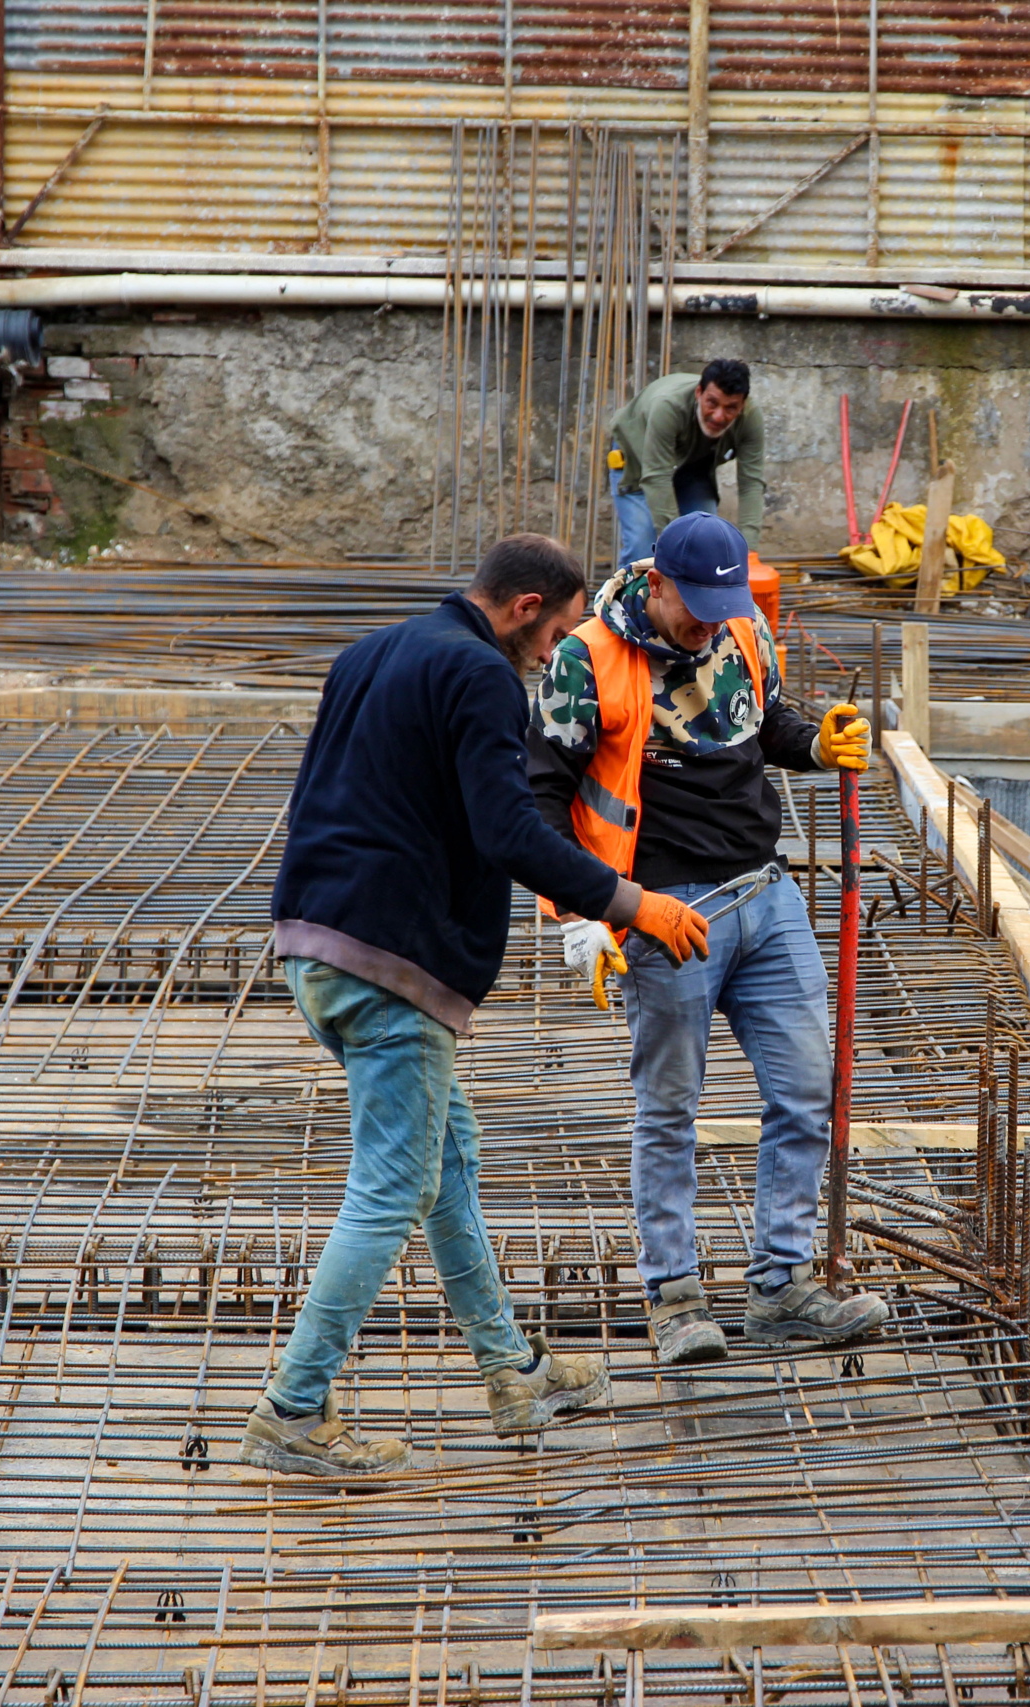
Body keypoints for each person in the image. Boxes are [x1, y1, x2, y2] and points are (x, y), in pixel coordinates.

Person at [242, 534, 715, 1478]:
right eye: (560, 632)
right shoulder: (482, 675)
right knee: (391, 1187)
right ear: (526, 605)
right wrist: (632, 903)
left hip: (316, 943)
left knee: (447, 1160)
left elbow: (319, 795)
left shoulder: (371, 653)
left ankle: (512, 1368)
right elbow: (509, 831)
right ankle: (293, 1407)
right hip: (391, 967)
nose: (556, 655)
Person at [530, 511, 884, 1363]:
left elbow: (762, 724)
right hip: (662, 911)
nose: (706, 620)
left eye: (719, 605)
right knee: (670, 1111)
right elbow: (539, 798)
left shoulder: (741, 626)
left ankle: (781, 1283)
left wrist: (815, 744)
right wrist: (588, 914)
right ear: (653, 585)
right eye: (691, 605)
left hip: (763, 894)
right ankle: (675, 1298)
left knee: (806, 1089)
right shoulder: (587, 659)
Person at [609, 358, 765, 573]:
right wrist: (674, 544)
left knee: (705, 542)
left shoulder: (750, 418)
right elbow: (657, 476)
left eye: (731, 408)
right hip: (638, 460)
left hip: (693, 467)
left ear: (742, 405)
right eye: (712, 403)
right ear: (698, 392)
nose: (719, 416)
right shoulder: (668, 407)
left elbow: (752, 485)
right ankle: (627, 604)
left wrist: (749, 554)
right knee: (644, 546)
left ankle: (694, 604)